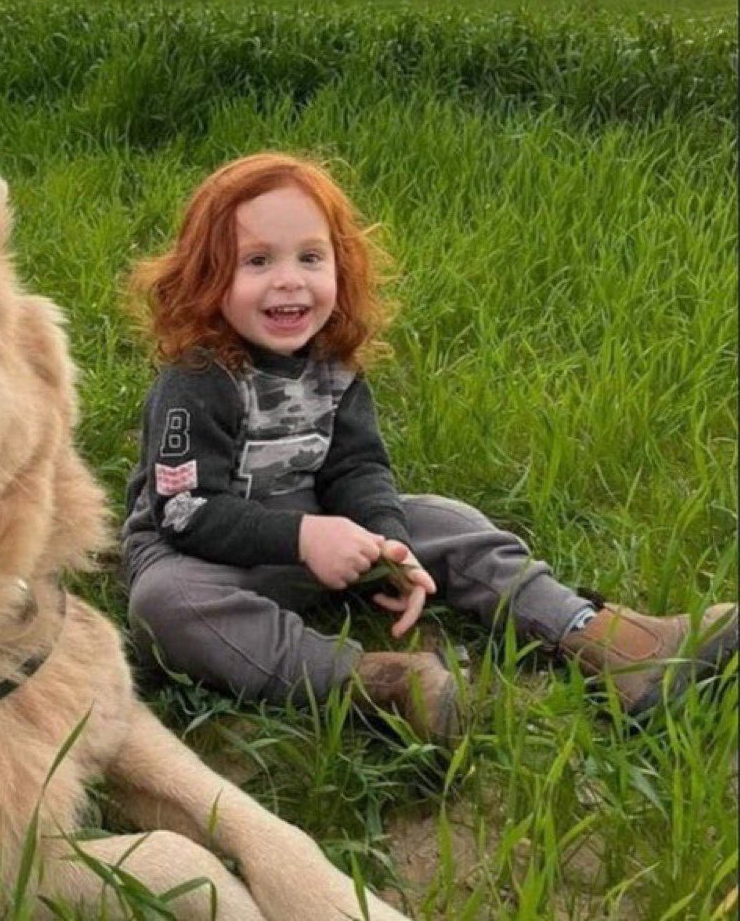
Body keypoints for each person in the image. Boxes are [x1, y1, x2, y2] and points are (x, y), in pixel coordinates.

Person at [119, 152, 737, 742]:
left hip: (322, 534)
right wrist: (305, 539)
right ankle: (382, 686)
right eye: (256, 262)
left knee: (449, 519)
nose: (290, 281)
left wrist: (389, 541)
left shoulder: (334, 370)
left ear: (342, 268)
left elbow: (357, 467)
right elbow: (184, 511)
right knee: (163, 606)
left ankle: (611, 641)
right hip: (206, 555)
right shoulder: (196, 383)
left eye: (311, 257)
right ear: (206, 278)